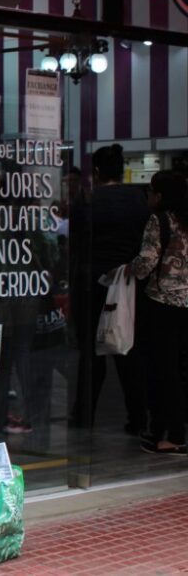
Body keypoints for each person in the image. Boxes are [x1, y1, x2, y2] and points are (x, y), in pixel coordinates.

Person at [72, 144, 149, 433]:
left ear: (98, 172)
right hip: (127, 283)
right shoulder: (137, 199)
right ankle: (138, 418)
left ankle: (83, 415)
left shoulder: (88, 199)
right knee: (128, 349)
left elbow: (78, 241)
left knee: (91, 352)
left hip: (92, 282)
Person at [126, 170, 188, 455]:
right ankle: (174, 430)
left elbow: (147, 261)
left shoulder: (159, 220)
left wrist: (129, 269)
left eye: (151, 191)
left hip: (162, 303)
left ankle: (173, 434)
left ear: (160, 195)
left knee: (163, 371)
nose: (148, 196)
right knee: (180, 369)